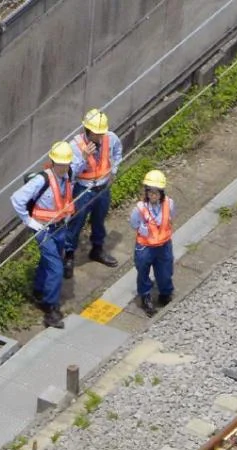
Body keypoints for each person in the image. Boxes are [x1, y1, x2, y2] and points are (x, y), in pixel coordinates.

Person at [10, 141, 80, 329]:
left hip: (59, 227)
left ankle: (39, 290)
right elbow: (17, 199)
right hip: (44, 229)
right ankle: (50, 309)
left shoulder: (68, 175)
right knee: (56, 268)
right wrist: (30, 222)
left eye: (66, 164)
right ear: (52, 161)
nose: (63, 167)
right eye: (60, 163)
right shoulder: (42, 180)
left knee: (49, 261)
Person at [64, 108, 122, 276]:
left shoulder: (110, 139)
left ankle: (97, 249)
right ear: (87, 130)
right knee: (76, 223)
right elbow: (70, 173)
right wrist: (83, 157)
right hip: (83, 189)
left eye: (101, 133)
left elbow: (117, 152)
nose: (99, 137)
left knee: (99, 220)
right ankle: (68, 255)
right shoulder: (74, 146)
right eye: (96, 133)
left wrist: (114, 170)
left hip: (102, 188)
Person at [130, 168, 175, 316]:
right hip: (145, 248)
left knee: (165, 272)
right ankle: (146, 297)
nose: (152, 195)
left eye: (156, 192)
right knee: (143, 273)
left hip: (164, 246)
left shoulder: (169, 203)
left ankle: (165, 293)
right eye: (150, 191)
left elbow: (171, 217)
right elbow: (134, 223)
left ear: (161, 192)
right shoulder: (140, 209)